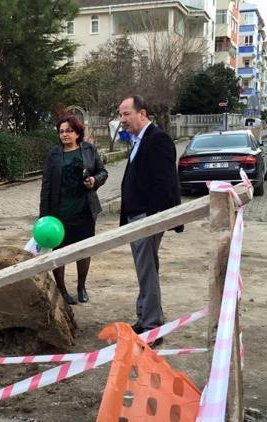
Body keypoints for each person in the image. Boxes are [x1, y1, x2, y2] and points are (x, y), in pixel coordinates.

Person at [117, 95, 182, 339]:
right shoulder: (137, 140)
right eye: (120, 115)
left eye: (126, 114)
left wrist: (151, 220)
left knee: (147, 270)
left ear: (142, 113)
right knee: (146, 269)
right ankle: (145, 317)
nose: (122, 119)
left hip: (147, 219)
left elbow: (164, 184)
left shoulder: (158, 139)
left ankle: (152, 327)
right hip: (137, 218)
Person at [39, 115, 108, 305]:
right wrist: (43, 216)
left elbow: (103, 172)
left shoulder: (89, 150)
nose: (64, 134)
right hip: (59, 213)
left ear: (77, 132)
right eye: (61, 131)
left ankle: (81, 287)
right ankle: (61, 289)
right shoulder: (54, 154)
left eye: (68, 130)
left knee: (83, 251)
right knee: (58, 252)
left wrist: (95, 181)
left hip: (84, 210)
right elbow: (46, 185)